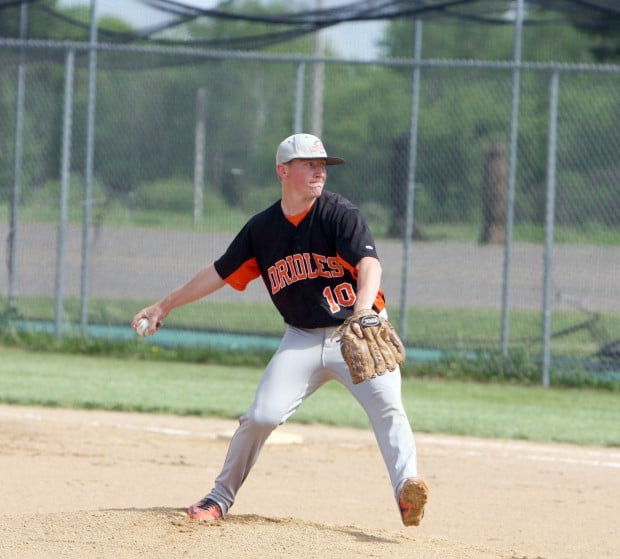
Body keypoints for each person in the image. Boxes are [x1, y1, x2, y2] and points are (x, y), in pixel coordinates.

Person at [131, 133, 428, 527]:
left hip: (357, 331)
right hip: (302, 338)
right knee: (261, 417)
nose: (319, 171)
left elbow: (369, 265)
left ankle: (408, 491)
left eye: (323, 164)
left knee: (389, 408)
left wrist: (362, 311)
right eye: (309, 164)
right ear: (282, 171)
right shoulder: (262, 230)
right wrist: (163, 305)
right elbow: (219, 273)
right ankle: (218, 498)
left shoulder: (339, 214)